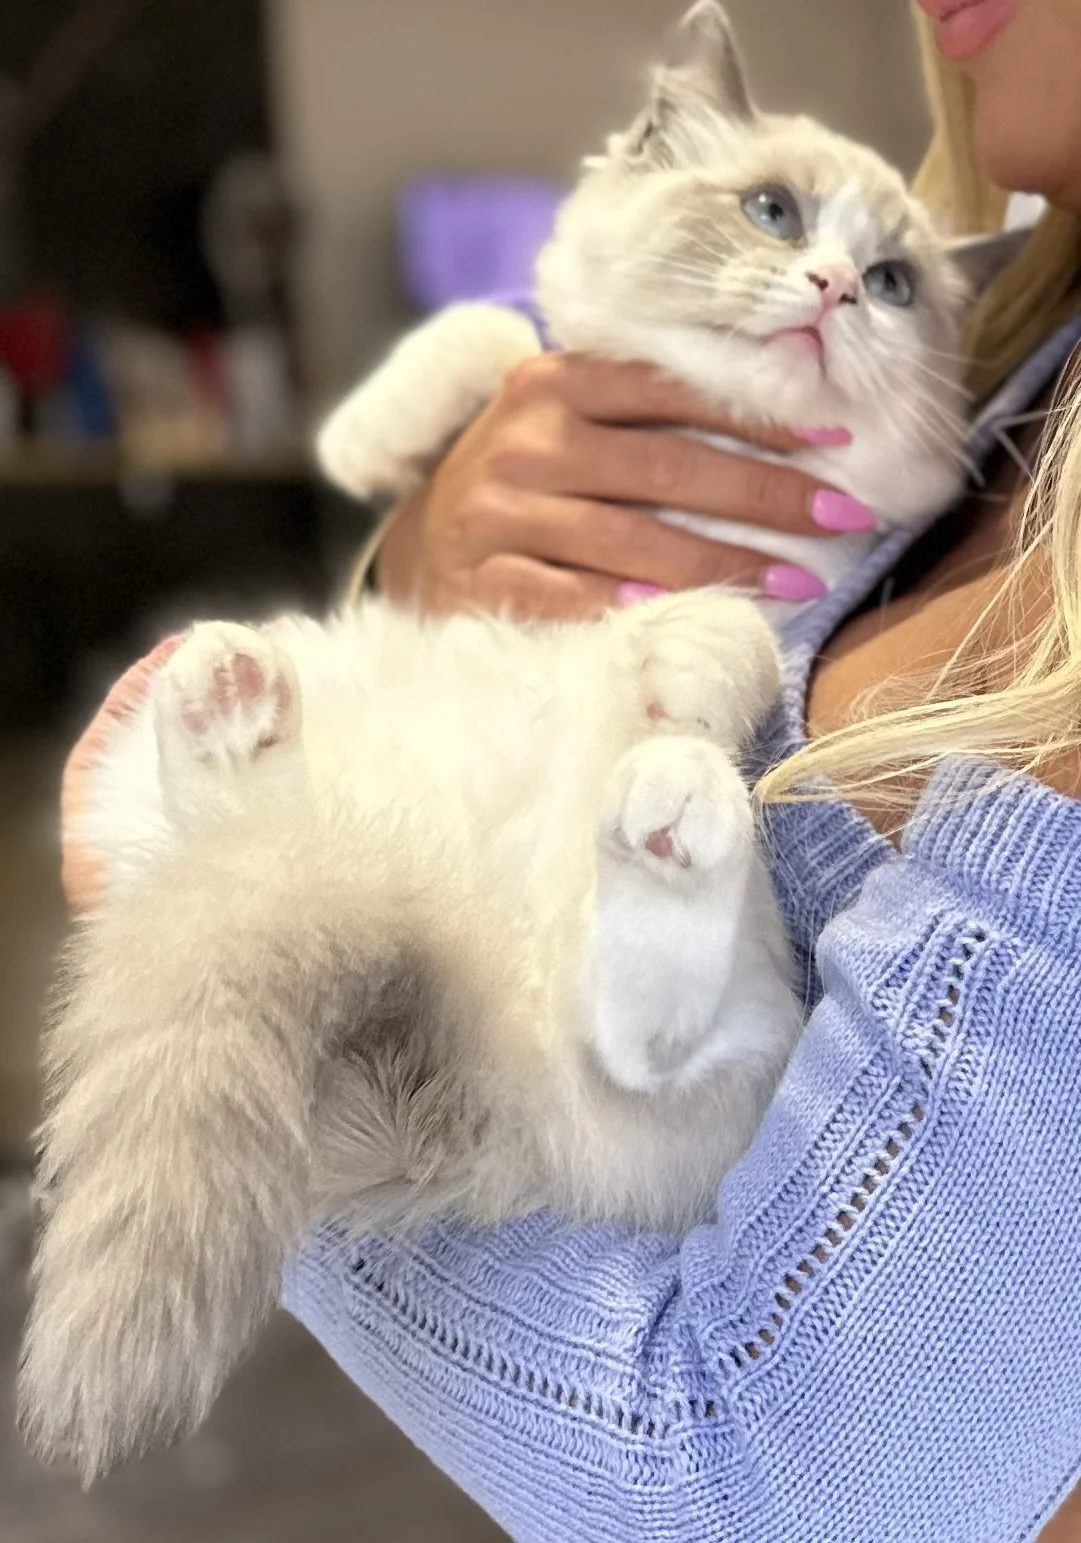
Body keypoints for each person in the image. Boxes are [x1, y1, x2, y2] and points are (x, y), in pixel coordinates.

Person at [59, 1, 1081, 1538]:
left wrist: (170, 914)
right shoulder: (1014, 374)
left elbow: (763, 1487)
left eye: (878, 277)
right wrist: (433, 557)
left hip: (576, 1113)